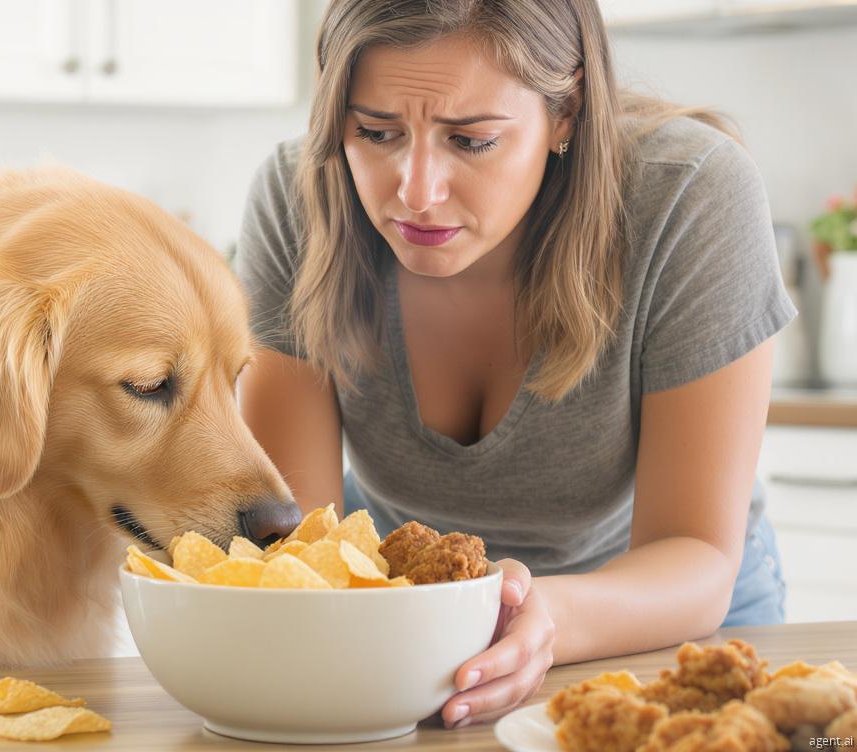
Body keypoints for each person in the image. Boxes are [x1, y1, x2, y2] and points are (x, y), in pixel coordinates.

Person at [233, 0, 795, 730]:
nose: (417, 190)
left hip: (673, 614)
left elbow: (693, 550)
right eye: (375, 132)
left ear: (568, 113)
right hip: (414, 630)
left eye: (470, 141)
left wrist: (547, 615)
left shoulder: (689, 194)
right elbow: (304, 552)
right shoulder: (299, 198)